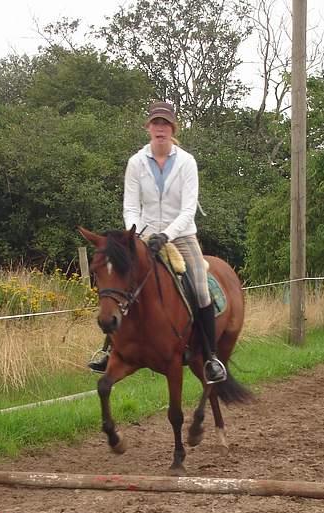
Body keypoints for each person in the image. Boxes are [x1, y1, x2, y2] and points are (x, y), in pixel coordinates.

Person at [88, 101, 227, 384]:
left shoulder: (187, 162)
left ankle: (211, 357)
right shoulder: (135, 163)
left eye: (165, 124)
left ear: (172, 128)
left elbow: (189, 209)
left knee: (200, 287)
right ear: (148, 128)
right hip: (144, 236)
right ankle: (108, 350)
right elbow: (130, 206)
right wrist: (134, 235)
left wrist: (168, 235)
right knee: (122, 283)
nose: (160, 128)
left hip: (183, 234)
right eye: (155, 123)